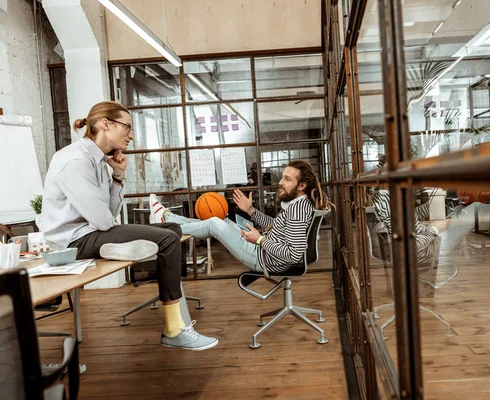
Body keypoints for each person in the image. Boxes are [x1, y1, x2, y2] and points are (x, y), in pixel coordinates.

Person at [38, 101, 217, 351]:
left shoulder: (100, 161)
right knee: (167, 241)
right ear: (105, 124)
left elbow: (107, 215)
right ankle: (175, 329)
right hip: (74, 242)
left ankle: (120, 248)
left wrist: (118, 176)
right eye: (128, 127)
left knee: (173, 231)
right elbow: (103, 221)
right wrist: (113, 225)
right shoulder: (76, 160)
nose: (131, 135)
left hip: (93, 233)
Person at [148, 160, 329, 275]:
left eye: (287, 179)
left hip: (263, 258)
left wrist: (259, 241)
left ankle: (165, 225)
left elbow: (293, 254)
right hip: (264, 252)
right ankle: (167, 217)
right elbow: (276, 226)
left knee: (214, 223)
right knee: (221, 220)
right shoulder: (299, 205)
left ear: (302, 185)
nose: (280, 182)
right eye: (282, 177)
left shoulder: (298, 210)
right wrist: (251, 211)